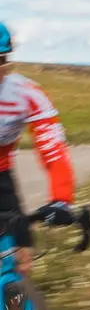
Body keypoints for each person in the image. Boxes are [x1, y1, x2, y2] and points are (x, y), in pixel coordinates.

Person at [0, 22, 78, 275]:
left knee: (21, 257)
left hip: (1, 176)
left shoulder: (26, 95)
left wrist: (61, 200)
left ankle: (16, 295)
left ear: (6, 63)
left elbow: (53, 149)